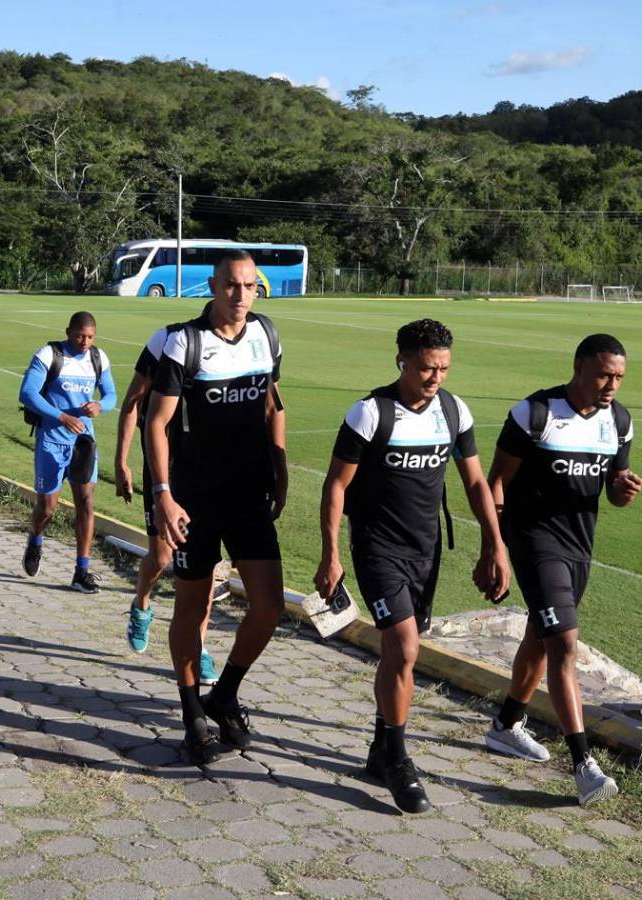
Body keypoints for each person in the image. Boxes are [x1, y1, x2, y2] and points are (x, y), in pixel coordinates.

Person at [314, 318, 509, 813]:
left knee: (402, 653)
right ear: (401, 359)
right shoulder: (369, 412)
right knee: (402, 647)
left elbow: (474, 483)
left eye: (443, 367)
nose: (435, 377)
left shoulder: (453, 409)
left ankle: (380, 750)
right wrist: (331, 553)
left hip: (427, 552)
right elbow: (336, 485)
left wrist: (495, 544)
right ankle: (400, 761)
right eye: (426, 367)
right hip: (378, 549)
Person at [484, 334, 638, 806]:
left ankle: (507, 724)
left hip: (579, 548)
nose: (611, 384)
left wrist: (621, 488)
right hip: (533, 543)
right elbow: (496, 483)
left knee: (543, 635)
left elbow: (611, 489)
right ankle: (583, 765)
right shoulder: (535, 414)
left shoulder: (619, 422)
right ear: (578, 367)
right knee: (565, 643)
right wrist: (494, 548)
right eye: (603, 374)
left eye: (618, 377)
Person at [146, 251, 287, 764]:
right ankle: (192, 718)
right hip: (195, 499)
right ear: (213, 285)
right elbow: (155, 423)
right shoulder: (186, 342)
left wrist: (281, 467)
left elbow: (272, 401)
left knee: (269, 605)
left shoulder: (267, 335)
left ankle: (224, 693)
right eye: (231, 285)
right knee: (192, 606)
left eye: (250, 286)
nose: (241, 295)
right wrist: (163, 493)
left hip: (248, 494)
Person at [114, 315, 219, 684]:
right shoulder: (167, 340)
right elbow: (132, 402)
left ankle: (199, 646)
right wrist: (122, 460)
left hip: (207, 469)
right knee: (161, 556)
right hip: (165, 465)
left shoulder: (237, 342)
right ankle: (141, 604)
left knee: (205, 569)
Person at [19, 311, 117, 592]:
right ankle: (35, 539)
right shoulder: (49, 354)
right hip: (52, 440)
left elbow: (111, 395)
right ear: (68, 331)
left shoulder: (98, 358)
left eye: (89, 337)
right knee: (47, 507)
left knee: (86, 502)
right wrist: (62, 417)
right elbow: (27, 393)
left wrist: (100, 405)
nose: (84, 342)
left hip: (84, 443)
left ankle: (81, 571)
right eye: (79, 336)